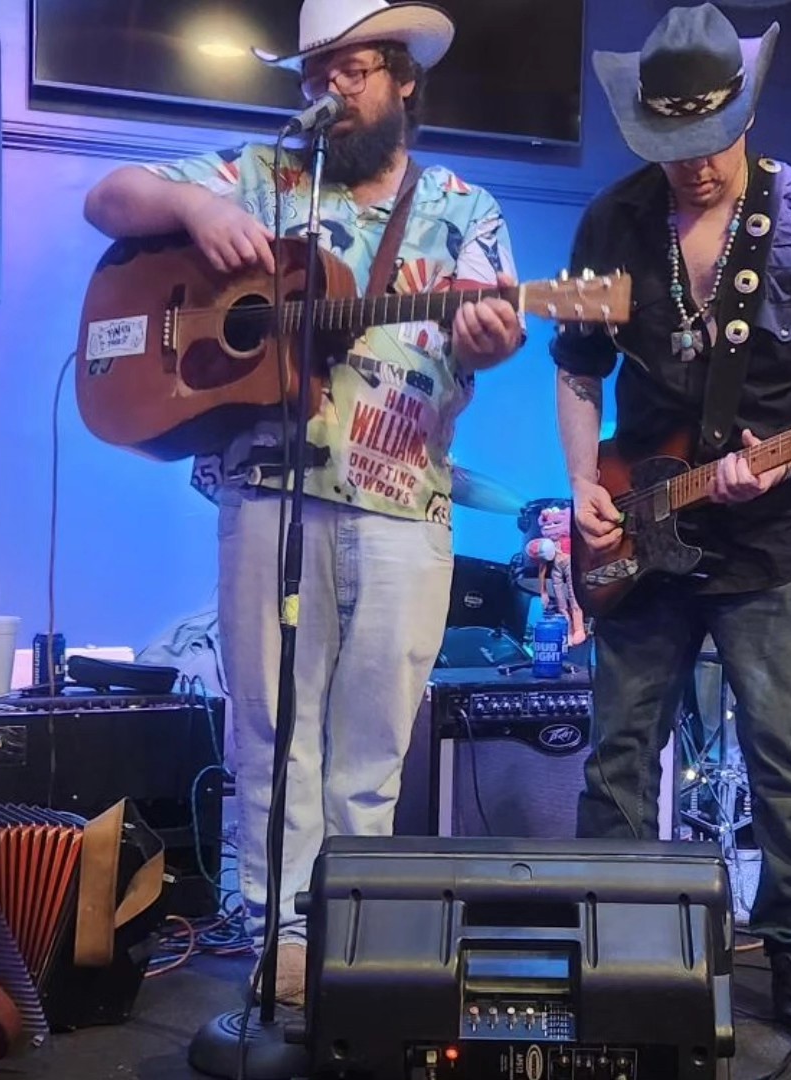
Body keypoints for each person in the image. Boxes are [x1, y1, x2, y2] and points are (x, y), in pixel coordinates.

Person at [84, 0, 522, 1007]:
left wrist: (494, 338)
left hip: (406, 505)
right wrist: (196, 211)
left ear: (405, 80)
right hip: (266, 497)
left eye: (355, 70)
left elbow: (493, 327)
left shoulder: (466, 209)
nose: (333, 88)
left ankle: (352, 933)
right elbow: (108, 199)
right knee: (270, 737)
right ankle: (277, 935)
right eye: (317, 72)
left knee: (372, 748)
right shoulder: (256, 176)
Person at [552, 4, 791, 1061]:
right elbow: (577, 370)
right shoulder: (612, 223)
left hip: (771, 542)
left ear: (743, 111)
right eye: (669, 143)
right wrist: (582, 483)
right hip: (640, 525)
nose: (692, 165)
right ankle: (607, 949)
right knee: (618, 752)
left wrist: (781, 461)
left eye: (709, 139)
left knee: (788, 761)